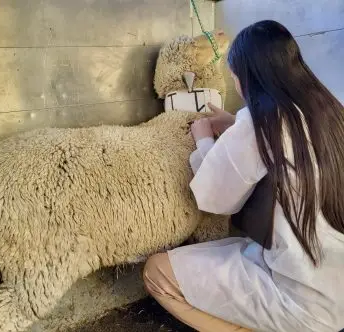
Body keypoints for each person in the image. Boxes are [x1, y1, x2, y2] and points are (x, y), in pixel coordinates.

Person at [143, 20, 344, 332]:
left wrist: (203, 138)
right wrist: (235, 121)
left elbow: (215, 197)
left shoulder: (261, 122)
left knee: (157, 271)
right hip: (333, 286)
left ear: (247, 76)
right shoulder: (331, 111)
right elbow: (281, 140)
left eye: (234, 75)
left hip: (300, 296)